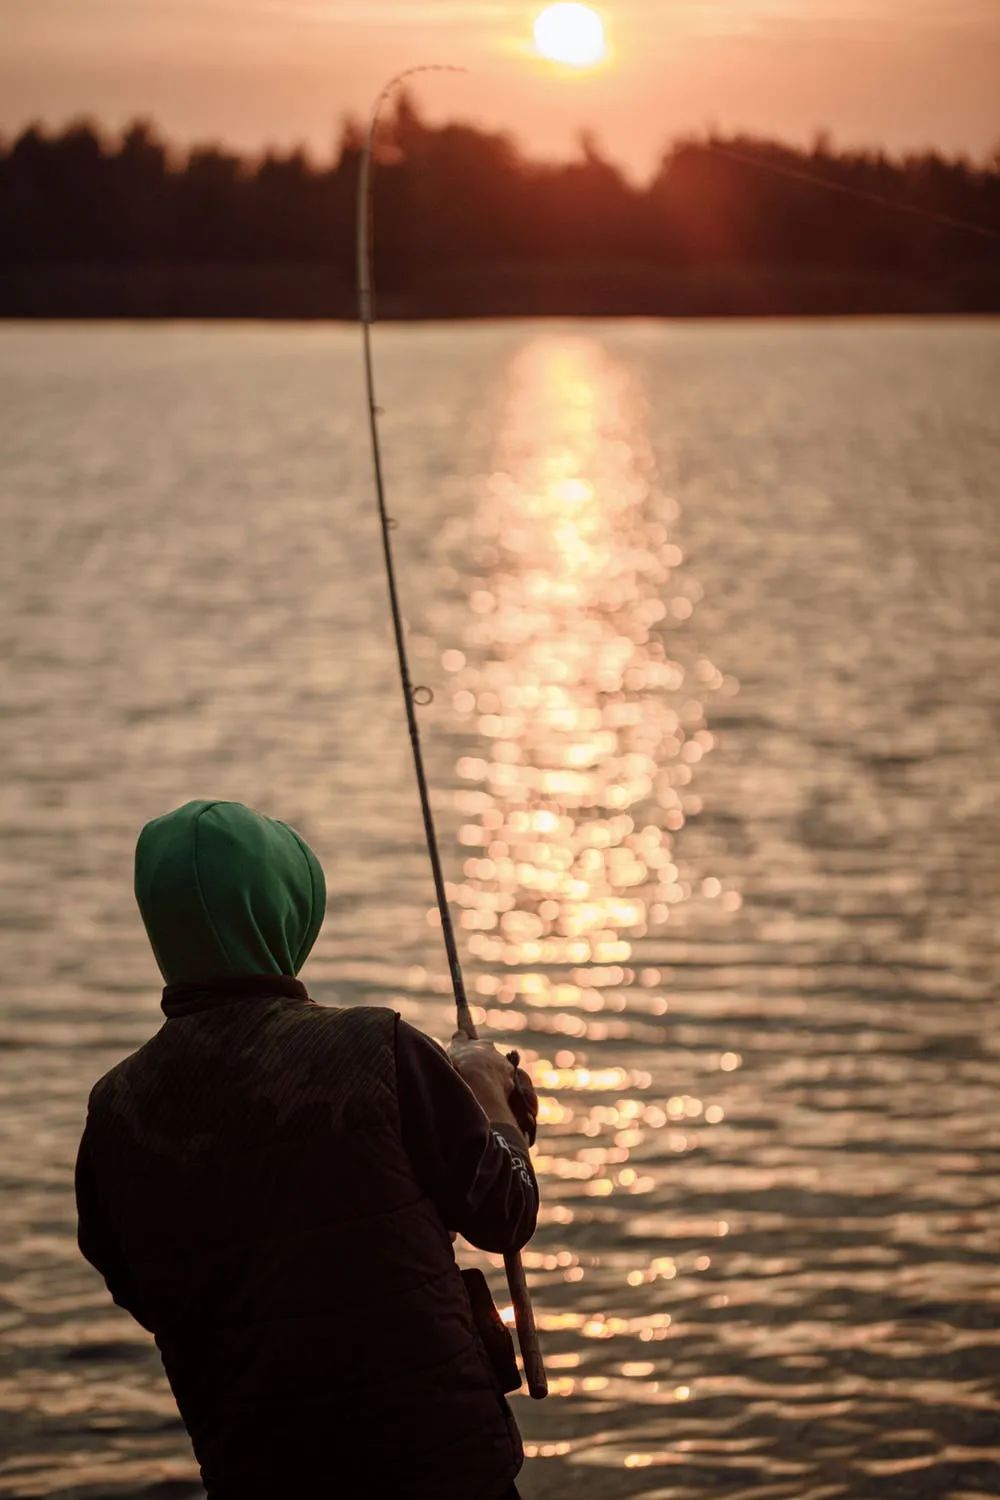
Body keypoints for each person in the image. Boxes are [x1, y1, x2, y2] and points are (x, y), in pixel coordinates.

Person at [75, 799, 539, 1500]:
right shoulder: (380, 1047)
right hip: (443, 1465)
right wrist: (490, 1097)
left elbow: (145, 1291)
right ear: (287, 909)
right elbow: (507, 1212)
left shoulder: (113, 1112)